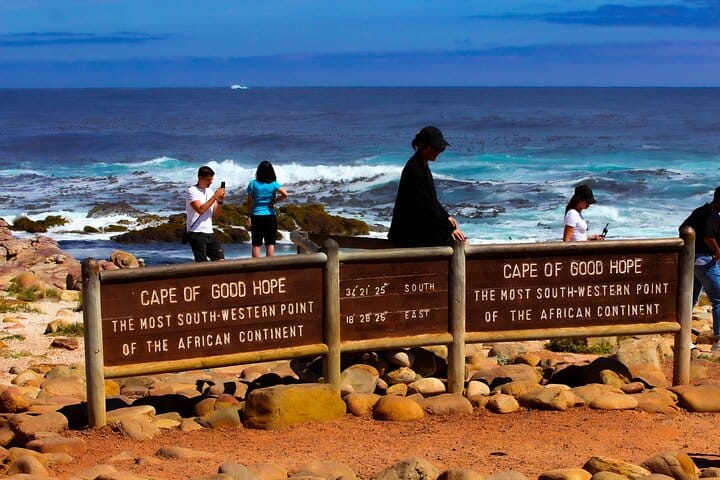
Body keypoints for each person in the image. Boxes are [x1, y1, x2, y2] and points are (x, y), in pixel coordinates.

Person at [388, 126, 466, 247]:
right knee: (458, 241)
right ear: (422, 146)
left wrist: (446, 217)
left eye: (441, 149)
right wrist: (449, 229)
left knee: (459, 239)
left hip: (414, 229)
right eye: (435, 148)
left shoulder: (421, 163)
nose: (438, 152)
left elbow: (430, 200)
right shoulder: (415, 169)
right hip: (408, 235)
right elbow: (425, 205)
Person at [680, 187, 720, 342]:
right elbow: (708, 237)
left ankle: (682, 331)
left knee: (690, 298)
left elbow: (683, 229)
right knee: (718, 298)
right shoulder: (712, 214)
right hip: (705, 260)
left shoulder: (700, 211)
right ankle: (719, 336)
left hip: (691, 260)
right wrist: (718, 251)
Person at [246, 160, 288, 257]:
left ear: (259, 172)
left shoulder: (253, 183)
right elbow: (285, 194)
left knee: (256, 244)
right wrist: (274, 201)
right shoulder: (274, 184)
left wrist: (248, 214)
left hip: (256, 215)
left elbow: (249, 202)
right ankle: (270, 265)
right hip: (270, 215)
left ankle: (256, 265)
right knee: (270, 244)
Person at [185, 165, 226, 262]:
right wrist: (215, 196)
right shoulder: (192, 191)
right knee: (202, 264)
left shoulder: (210, 191)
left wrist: (220, 201)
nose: (211, 182)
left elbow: (216, 214)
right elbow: (200, 210)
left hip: (209, 232)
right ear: (200, 178)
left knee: (220, 260)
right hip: (196, 232)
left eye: (211, 179)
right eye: (208, 180)